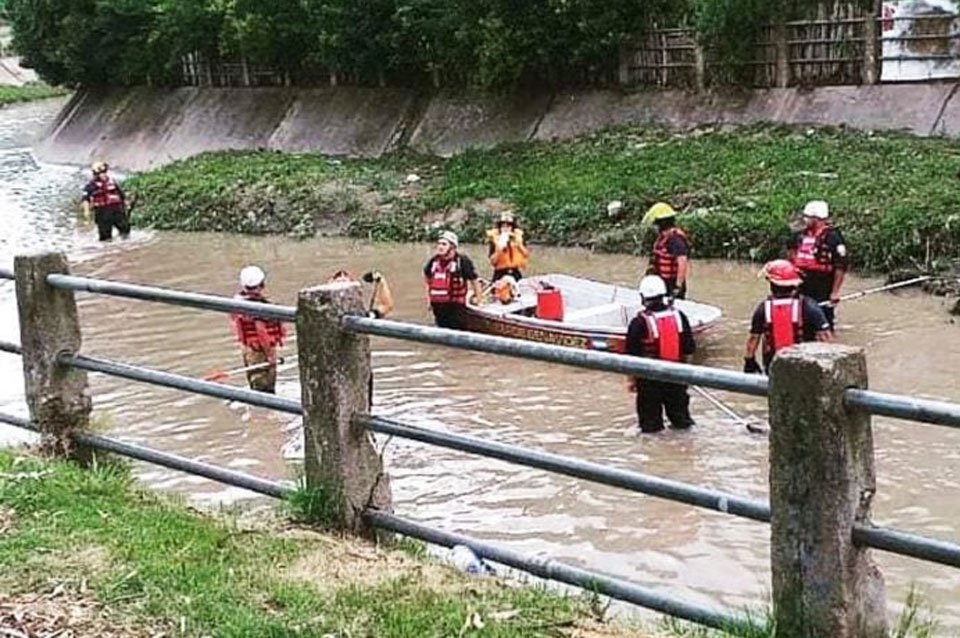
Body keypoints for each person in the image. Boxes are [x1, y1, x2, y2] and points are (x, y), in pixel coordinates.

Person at [625, 275, 696, 433]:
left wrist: (631, 380)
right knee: (681, 422)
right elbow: (689, 349)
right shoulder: (679, 316)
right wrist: (686, 376)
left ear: (643, 297)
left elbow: (631, 355)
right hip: (677, 376)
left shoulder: (639, 322)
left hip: (649, 380)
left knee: (650, 427)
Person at [743, 259, 832, 374]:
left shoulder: (763, 308)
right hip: (805, 368)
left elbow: (753, 339)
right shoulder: (809, 306)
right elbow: (825, 338)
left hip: (774, 369)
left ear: (771, 284)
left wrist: (749, 361)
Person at [788, 200, 848, 331]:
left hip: (822, 286)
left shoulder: (833, 238)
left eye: (807, 217)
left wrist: (835, 292)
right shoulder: (798, 236)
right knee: (800, 320)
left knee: (824, 321)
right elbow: (790, 257)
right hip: (801, 283)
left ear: (817, 219)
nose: (804, 220)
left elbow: (840, 266)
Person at [230, 265, 286, 394]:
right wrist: (270, 356)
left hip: (248, 348)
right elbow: (261, 332)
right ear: (261, 284)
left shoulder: (238, 301)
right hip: (260, 350)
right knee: (265, 389)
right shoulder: (258, 307)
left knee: (255, 386)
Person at [423, 230, 484, 330]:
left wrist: (479, 300)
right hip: (438, 307)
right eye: (439, 244)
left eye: (444, 244)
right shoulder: (433, 261)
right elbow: (427, 278)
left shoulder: (462, 261)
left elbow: (475, 280)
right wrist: (428, 299)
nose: (440, 247)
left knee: (457, 331)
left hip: (456, 307)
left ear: (452, 247)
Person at [642, 202, 690, 299]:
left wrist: (678, 287)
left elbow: (682, 262)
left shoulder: (675, 240)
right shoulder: (662, 238)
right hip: (661, 283)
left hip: (671, 284)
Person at [81, 161, 130, 242]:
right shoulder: (91, 186)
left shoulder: (112, 182)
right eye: (100, 173)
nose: (103, 174)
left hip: (116, 210)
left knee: (125, 229)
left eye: (104, 172)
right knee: (105, 236)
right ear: (95, 174)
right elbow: (85, 199)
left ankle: (125, 243)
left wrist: (126, 203)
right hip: (102, 212)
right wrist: (86, 213)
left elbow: (121, 194)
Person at [328, 269, 395, 318]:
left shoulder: (361, 316)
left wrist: (381, 281)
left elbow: (386, 306)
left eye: (345, 275)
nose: (342, 276)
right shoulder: (323, 308)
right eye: (337, 276)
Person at [485, 211, 530, 282]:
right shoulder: (495, 240)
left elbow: (526, 254)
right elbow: (493, 262)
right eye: (503, 226)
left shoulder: (518, 238)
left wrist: (519, 245)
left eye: (508, 226)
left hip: (515, 272)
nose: (505, 229)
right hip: (500, 273)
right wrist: (499, 249)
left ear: (512, 228)